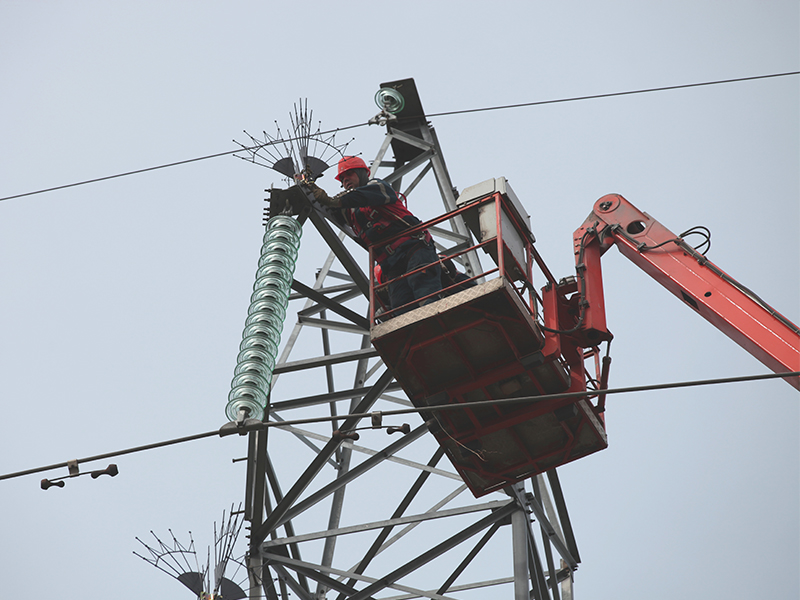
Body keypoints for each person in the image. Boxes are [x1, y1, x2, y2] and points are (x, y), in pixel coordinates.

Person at [304, 155, 442, 314]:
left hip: (414, 249)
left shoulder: (379, 187)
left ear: (362, 173)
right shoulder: (350, 211)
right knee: (401, 307)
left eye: (349, 174)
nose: (345, 181)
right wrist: (308, 186)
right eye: (342, 179)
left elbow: (349, 198)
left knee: (424, 290)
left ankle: (435, 318)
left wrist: (329, 200)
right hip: (392, 265)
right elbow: (326, 204)